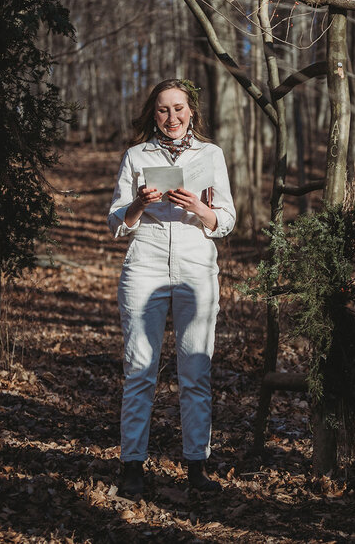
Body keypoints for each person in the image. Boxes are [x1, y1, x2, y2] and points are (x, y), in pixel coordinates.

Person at [108, 78, 236, 496]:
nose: (172, 117)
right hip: (144, 265)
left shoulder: (211, 154)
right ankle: (132, 467)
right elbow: (115, 222)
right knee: (140, 369)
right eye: (163, 110)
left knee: (195, 370)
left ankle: (196, 466)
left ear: (191, 111)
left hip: (196, 266)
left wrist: (200, 208)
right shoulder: (136, 156)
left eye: (179, 108)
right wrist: (139, 205)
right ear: (154, 114)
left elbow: (228, 220)